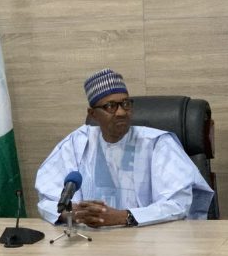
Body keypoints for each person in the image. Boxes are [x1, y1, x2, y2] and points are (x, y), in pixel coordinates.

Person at [35, 68, 214, 227]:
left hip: (149, 241)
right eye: (110, 106)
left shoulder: (157, 143)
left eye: (126, 104)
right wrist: (72, 213)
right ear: (93, 114)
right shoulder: (76, 144)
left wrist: (123, 217)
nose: (121, 112)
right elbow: (47, 200)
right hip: (88, 241)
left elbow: (178, 204)